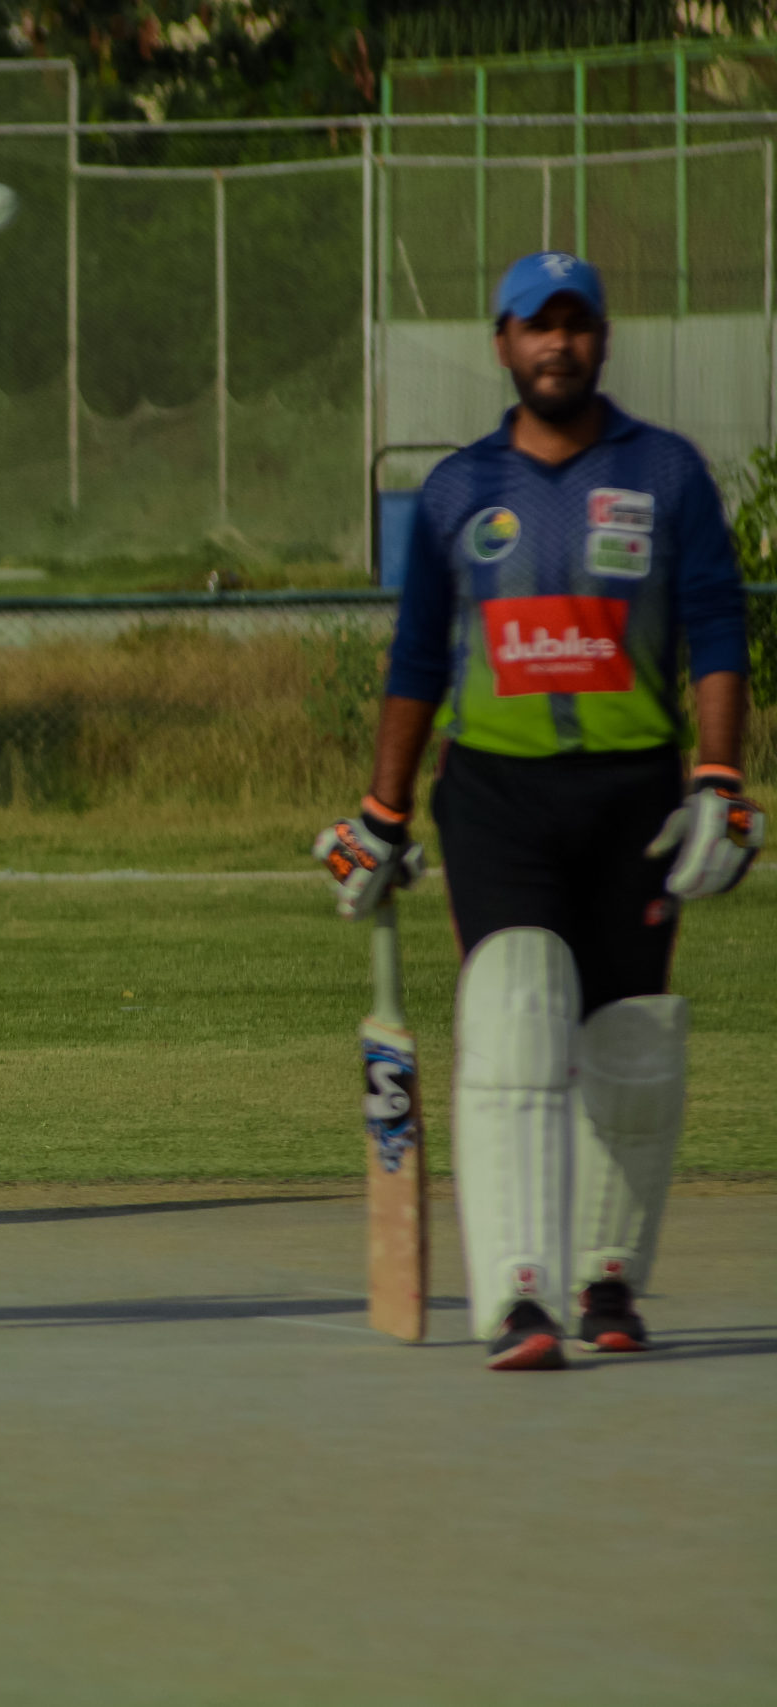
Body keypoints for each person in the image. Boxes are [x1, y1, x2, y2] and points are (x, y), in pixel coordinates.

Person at [316, 251, 763, 1372]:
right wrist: (380, 813)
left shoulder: (663, 472)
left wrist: (719, 778)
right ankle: (518, 1294)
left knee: (631, 1039)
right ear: (503, 343)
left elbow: (717, 628)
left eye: (575, 323)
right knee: (515, 1006)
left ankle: (606, 1278)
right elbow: (418, 659)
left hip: (636, 796)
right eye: (535, 325)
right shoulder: (459, 489)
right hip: (496, 794)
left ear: (601, 338)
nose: (556, 343)